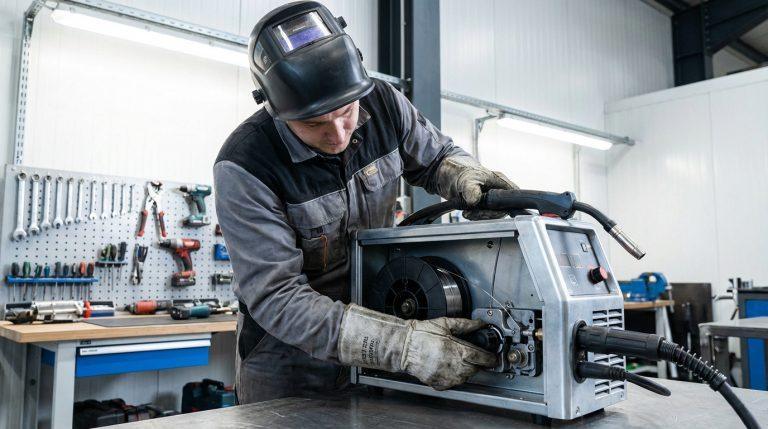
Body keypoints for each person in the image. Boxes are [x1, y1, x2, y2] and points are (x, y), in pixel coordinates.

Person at [213, 1, 517, 404]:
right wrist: (402, 347)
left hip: (384, 331)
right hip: (288, 364)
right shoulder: (245, 165)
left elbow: (437, 157)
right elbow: (277, 298)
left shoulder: (383, 103)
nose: (338, 134)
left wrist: (462, 174)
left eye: (346, 112)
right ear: (275, 109)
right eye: (314, 124)